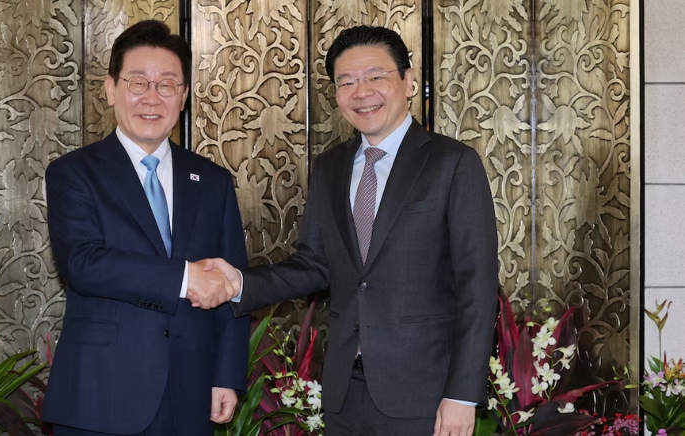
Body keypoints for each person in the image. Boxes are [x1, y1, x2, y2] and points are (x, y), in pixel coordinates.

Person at [189, 25, 499, 436]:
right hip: (343, 395)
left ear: (408, 82)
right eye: (347, 81)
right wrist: (238, 283)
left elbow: (477, 286)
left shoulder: (453, 163)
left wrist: (462, 395)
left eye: (375, 76)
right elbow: (314, 265)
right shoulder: (331, 166)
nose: (361, 92)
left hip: (426, 395)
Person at [42, 20, 248, 436]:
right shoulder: (73, 173)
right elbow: (83, 263)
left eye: (167, 85)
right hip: (101, 394)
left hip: (191, 392)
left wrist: (226, 375)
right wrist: (185, 277)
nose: (152, 98)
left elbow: (230, 281)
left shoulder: (212, 180)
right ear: (110, 89)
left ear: (183, 96)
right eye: (138, 83)